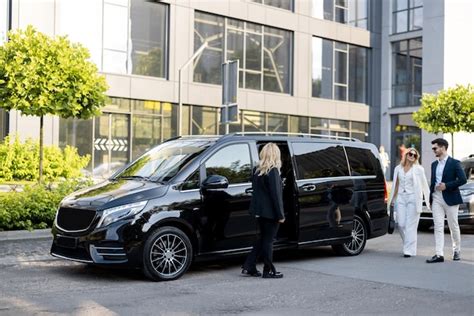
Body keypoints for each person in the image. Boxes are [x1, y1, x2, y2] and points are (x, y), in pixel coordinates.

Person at [242, 142, 285, 279]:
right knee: (268, 241)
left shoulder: (257, 170)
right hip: (271, 213)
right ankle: (269, 270)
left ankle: (249, 266)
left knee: (262, 240)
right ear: (275, 154)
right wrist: (281, 215)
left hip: (259, 212)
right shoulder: (273, 171)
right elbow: (276, 196)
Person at [426, 138, 467, 263]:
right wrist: (430, 197)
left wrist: (447, 185)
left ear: (443, 148)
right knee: (438, 226)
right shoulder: (434, 164)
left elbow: (463, 179)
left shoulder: (454, 163)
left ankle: (456, 250)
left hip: (450, 197)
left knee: (453, 225)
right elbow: (432, 182)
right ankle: (439, 254)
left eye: (435, 148)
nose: (433, 150)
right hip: (437, 197)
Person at [388, 148, 430, 257]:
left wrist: (428, 200)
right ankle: (409, 244)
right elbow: (396, 185)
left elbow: (425, 185)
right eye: (410, 154)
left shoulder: (419, 169)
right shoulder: (398, 168)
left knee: (411, 226)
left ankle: (408, 250)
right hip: (401, 198)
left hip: (413, 198)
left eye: (414, 155)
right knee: (401, 224)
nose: (412, 156)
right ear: (406, 155)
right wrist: (392, 199)